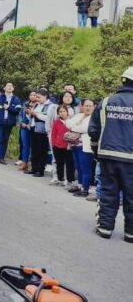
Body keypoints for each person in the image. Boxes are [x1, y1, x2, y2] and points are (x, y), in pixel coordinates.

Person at [89, 66, 133, 242]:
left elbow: (93, 130)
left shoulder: (107, 102)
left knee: (108, 193)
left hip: (108, 156)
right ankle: (130, 233)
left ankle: (105, 228)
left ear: (123, 81)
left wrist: (95, 151)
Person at [66, 99, 95, 197]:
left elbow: (86, 128)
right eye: (86, 105)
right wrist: (75, 126)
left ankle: (85, 189)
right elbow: (67, 123)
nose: (88, 108)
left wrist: (73, 127)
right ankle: (80, 186)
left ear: (94, 107)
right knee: (78, 167)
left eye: (90, 106)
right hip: (75, 145)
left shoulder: (94, 118)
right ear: (82, 106)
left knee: (85, 168)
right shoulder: (79, 115)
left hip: (86, 147)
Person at [0, 83, 21, 165]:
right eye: (8, 86)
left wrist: (8, 108)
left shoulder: (16, 99)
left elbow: (17, 110)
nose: (10, 87)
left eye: (11, 86)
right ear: (4, 88)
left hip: (9, 123)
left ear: (13, 88)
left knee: (5, 140)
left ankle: (1, 157)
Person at [25, 89, 52, 177]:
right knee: (34, 150)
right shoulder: (37, 104)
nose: (37, 99)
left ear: (45, 96)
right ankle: (34, 168)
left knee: (41, 150)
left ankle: (40, 170)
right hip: (33, 128)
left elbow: (48, 118)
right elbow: (31, 116)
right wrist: (29, 113)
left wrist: (36, 114)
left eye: (39, 97)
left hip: (42, 130)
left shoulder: (50, 106)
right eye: (36, 97)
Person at [51, 105, 76, 186]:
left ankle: (69, 180)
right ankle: (60, 178)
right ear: (58, 113)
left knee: (69, 163)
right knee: (59, 163)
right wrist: (54, 144)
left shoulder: (72, 120)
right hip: (58, 146)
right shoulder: (56, 122)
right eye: (60, 112)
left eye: (64, 111)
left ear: (67, 112)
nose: (62, 113)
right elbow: (53, 134)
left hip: (69, 146)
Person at [17, 91, 37, 171]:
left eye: (35, 95)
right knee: (25, 146)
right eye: (31, 95)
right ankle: (24, 163)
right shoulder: (25, 104)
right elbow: (20, 115)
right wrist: (21, 123)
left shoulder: (38, 105)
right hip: (24, 127)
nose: (32, 96)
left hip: (33, 128)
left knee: (33, 146)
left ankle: (31, 163)